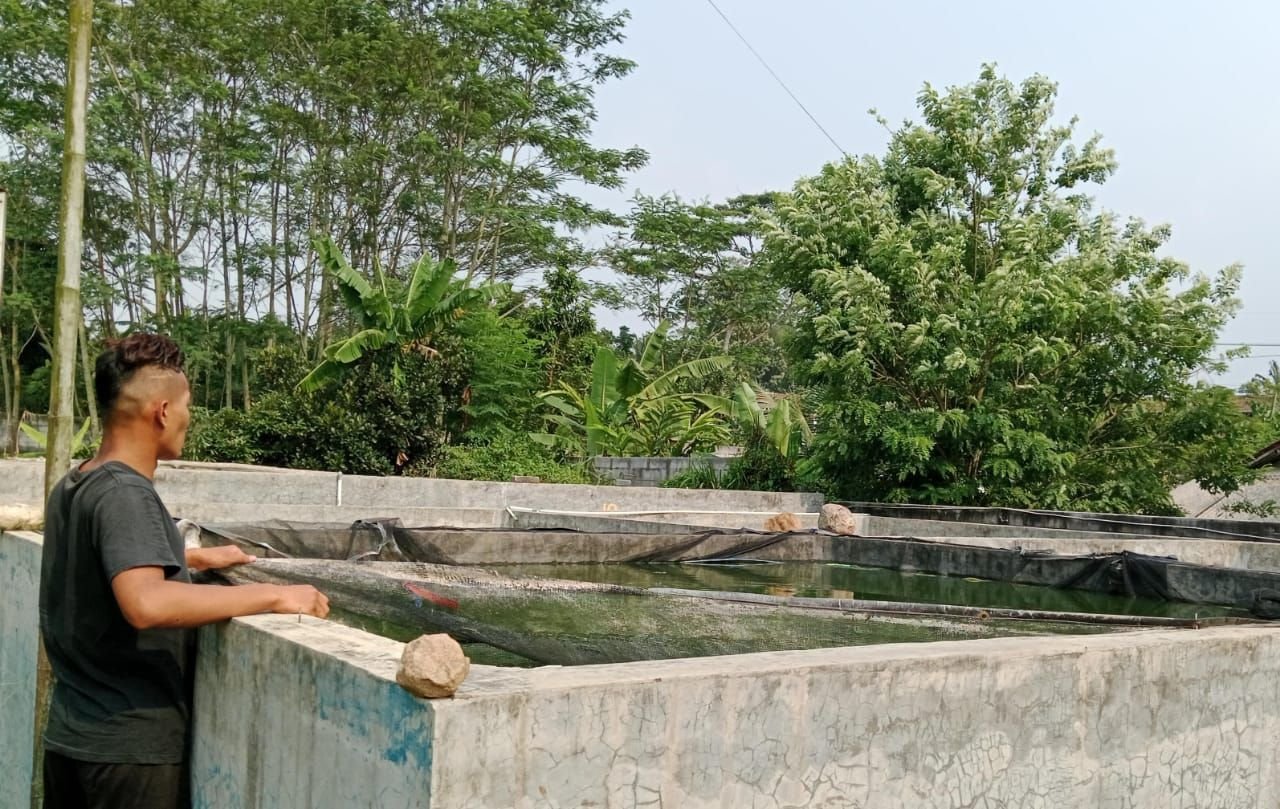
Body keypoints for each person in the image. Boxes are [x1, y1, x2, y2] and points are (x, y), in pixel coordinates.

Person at [39, 333, 330, 809]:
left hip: (73, 738)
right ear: (162, 411)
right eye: (188, 406)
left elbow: (96, 565)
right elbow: (146, 603)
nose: (189, 418)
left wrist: (187, 557)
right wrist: (277, 596)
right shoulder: (126, 494)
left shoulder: (77, 483)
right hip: (127, 753)